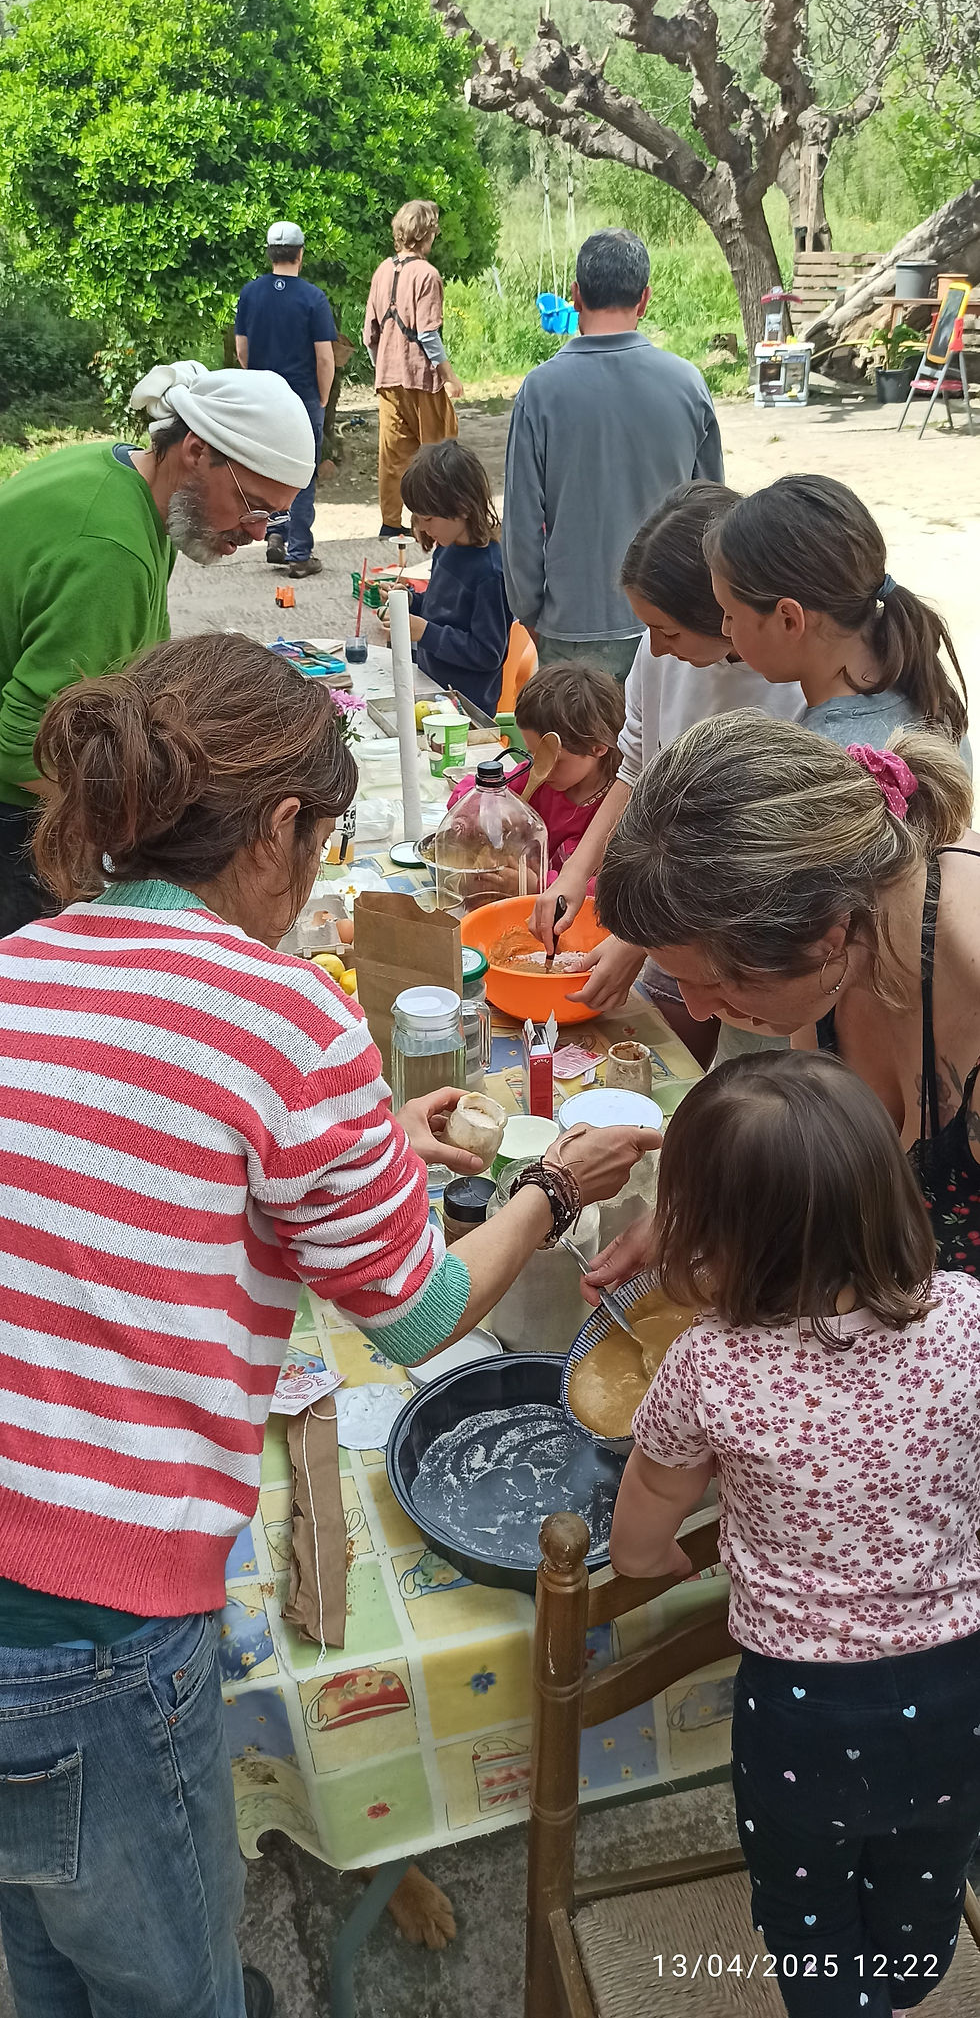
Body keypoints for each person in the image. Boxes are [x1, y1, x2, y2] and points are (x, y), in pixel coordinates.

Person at [0, 629, 656, 2018]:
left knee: (47, 1944)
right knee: (168, 1987)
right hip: (87, 1620)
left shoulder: (25, 964)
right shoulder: (284, 1012)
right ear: (284, 827)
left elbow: (141, 1183)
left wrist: (370, 1147)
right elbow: (417, 1315)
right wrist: (545, 1186)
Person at [607, 1050, 980, 2018]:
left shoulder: (708, 1365)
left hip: (806, 1710)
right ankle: (909, 1978)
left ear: (708, 1233)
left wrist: (655, 1560)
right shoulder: (968, 1318)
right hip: (960, 1683)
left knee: (805, 1911)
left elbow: (646, 1510)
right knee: (929, 1865)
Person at [594, 709, 980, 1272]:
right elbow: (823, 1170)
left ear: (825, 939)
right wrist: (705, 1215)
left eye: (717, 981)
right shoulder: (836, 931)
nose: (698, 1010)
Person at [0, 358, 314, 939]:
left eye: (275, 513)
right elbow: (20, 742)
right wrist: (138, 833)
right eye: (254, 504)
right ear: (196, 450)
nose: (257, 531)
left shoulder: (129, 482)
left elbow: (130, 668)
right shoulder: (109, 550)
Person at [530, 483, 802, 1040]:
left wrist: (639, 939)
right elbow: (635, 769)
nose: (653, 649)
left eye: (668, 631)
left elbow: (749, 857)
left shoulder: (790, 684)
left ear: (724, 613)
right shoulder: (663, 655)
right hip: (671, 920)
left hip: (749, 938)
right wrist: (576, 874)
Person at [501, 230, 724, 685]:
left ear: (575, 296)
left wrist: (529, 611)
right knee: (666, 755)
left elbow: (521, 521)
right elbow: (715, 512)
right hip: (672, 624)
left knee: (577, 753)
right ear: (644, 299)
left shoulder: (541, 391)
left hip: (572, 625)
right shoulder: (687, 383)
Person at [705, 474, 969, 759]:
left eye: (730, 614)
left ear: (789, 619)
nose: (725, 628)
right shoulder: (930, 693)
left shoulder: (821, 765)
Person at [449, 663, 625, 877]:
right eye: (532, 752)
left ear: (597, 747)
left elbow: (603, 889)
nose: (541, 766)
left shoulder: (619, 809)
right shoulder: (535, 780)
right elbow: (465, 791)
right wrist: (488, 810)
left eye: (554, 760)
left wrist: (537, 886)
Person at [235, 220, 338, 580]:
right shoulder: (313, 298)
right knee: (303, 474)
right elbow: (324, 357)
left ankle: (274, 534)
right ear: (300, 254)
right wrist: (323, 396)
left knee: (267, 468)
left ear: (270, 253)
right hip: (302, 397)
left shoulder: (250, 294)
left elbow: (242, 350)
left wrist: (258, 382)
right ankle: (299, 554)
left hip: (265, 398)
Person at [363, 200, 464, 539]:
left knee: (393, 456)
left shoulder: (381, 272)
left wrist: (384, 367)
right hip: (421, 379)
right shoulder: (427, 275)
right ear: (426, 234)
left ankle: (391, 523)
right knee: (437, 452)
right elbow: (426, 333)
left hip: (388, 379)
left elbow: (370, 336)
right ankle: (434, 520)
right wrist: (449, 375)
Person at [393, 439, 511, 717]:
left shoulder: (490, 573)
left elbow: (487, 653)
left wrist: (423, 632)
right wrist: (410, 602)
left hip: (467, 710)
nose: (421, 527)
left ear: (462, 508)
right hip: (432, 689)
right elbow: (443, 612)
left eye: (428, 518)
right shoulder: (446, 548)